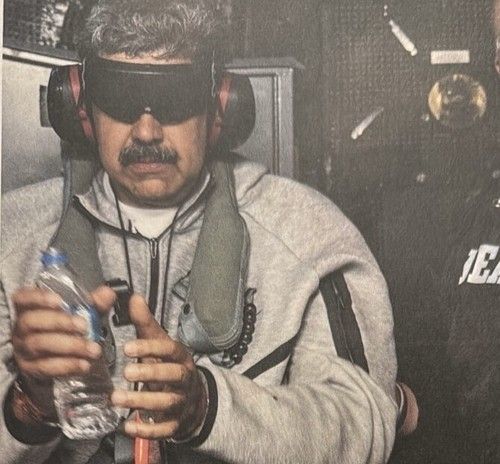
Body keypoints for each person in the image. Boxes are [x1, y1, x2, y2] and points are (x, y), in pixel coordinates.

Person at [0, 1, 398, 463]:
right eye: (121, 98)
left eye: (174, 99)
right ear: (81, 109)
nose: (146, 131)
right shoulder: (11, 237)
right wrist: (30, 405)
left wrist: (207, 408)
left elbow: (365, 426)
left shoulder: (311, 235)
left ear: (220, 109)